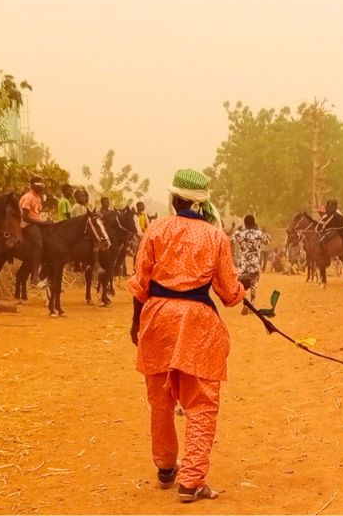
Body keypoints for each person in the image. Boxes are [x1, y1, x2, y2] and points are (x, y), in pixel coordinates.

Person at [126, 168, 241, 502]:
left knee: (160, 399)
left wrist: (136, 324)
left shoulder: (156, 229)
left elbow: (140, 283)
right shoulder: (216, 237)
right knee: (201, 403)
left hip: (157, 318)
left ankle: (165, 467)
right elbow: (230, 293)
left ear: (175, 200)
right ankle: (191, 481)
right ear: (203, 204)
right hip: (196, 325)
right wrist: (241, 292)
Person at [232, 215, 269, 313]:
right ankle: (252, 305)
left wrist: (240, 228)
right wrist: (258, 230)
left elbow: (233, 237)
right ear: (254, 223)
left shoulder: (241, 234)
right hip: (254, 263)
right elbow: (267, 241)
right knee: (254, 285)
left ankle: (245, 301)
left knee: (241, 284)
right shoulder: (259, 234)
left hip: (243, 264)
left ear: (245, 223)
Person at [19, 177, 51, 290]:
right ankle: (35, 276)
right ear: (32, 185)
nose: (41, 186)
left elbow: (37, 213)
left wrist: (46, 221)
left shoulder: (38, 198)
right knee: (39, 244)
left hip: (38, 222)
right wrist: (41, 222)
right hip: (28, 224)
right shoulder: (28, 197)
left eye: (42, 184)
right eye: (39, 184)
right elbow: (25, 217)